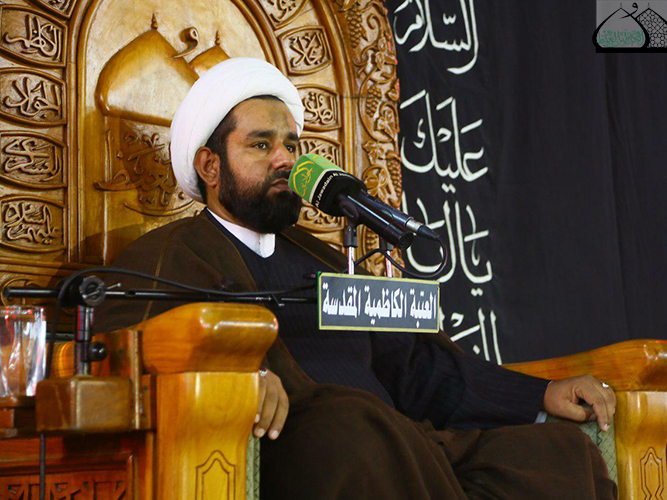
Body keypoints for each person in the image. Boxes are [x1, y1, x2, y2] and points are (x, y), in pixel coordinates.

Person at [96, 58, 617, 499]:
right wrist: (231, 377)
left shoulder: (326, 258)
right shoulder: (169, 255)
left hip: (406, 449)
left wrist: (539, 394)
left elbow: (418, 367)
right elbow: (128, 348)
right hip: (312, 450)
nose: (284, 159)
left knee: (559, 455)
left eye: (291, 144)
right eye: (260, 145)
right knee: (350, 431)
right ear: (211, 166)